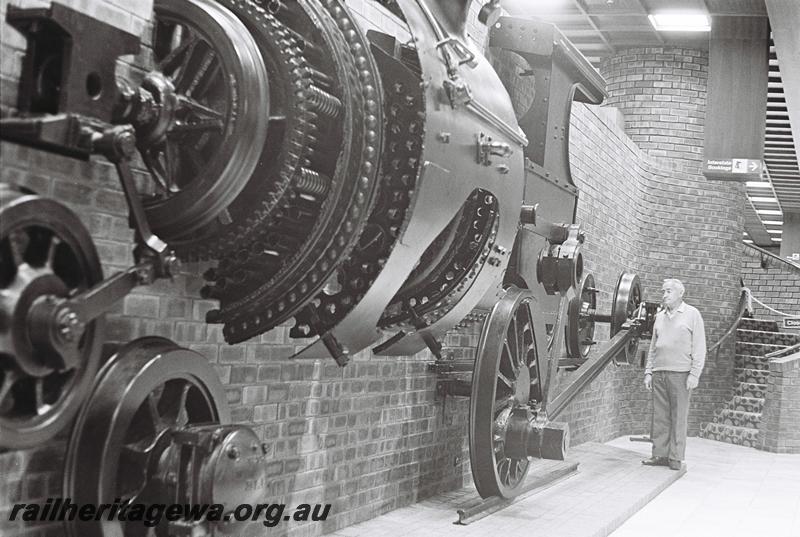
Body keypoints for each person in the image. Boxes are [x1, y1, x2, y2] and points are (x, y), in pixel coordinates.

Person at [642, 278, 706, 471]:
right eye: (663, 291)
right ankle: (659, 454)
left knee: (678, 416)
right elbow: (654, 346)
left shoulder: (692, 315)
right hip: (659, 373)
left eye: (668, 291)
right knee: (660, 416)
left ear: (680, 294)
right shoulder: (659, 317)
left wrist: (694, 374)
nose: (664, 295)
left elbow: (700, 347)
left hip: (681, 375)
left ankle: (675, 458)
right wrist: (648, 372)